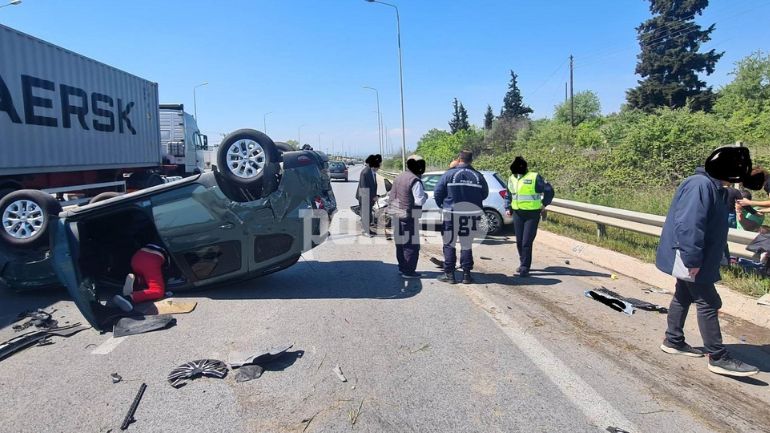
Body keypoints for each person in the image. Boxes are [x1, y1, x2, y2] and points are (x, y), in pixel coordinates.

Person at [656, 145, 763, 377]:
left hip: (694, 255)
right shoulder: (700, 185)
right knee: (708, 301)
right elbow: (689, 225)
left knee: (683, 294)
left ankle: (673, 340)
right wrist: (692, 258)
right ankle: (718, 356)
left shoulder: (713, 186)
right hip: (691, 255)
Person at [433, 150, 489, 284]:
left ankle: (450, 275)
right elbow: (484, 194)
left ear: (459, 159)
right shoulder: (478, 176)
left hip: (451, 214)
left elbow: (437, 192)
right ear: (471, 160)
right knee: (466, 244)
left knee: (449, 244)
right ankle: (466, 275)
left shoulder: (449, 174)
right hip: (470, 215)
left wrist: (443, 205)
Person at [504, 156, 554, 277]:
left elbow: (549, 190)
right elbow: (509, 194)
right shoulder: (512, 178)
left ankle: (525, 267)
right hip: (518, 213)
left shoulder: (534, 177)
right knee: (519, 241)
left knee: (526, 241)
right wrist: (508, 207)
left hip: (532, 214)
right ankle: (523, 263)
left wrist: (543, 204)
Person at [388, 155, 428, 278]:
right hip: (408, 216)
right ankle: (409, 271)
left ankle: (402, 267)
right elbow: (419, 201)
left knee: (400, 244)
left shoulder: (399, 177)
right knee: (411, 245)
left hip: (396, 215)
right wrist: (425, 195)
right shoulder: (415, 180)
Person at [112, 243, 169, 312]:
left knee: (147, 278)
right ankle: (129, 298)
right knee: (158, 291)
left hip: (137, 257)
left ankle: (136, 280)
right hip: (152, 259)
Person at [356, 154, 381, 237]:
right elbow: (364, 188)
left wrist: (375, 195)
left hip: (369, 197)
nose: (379, 167)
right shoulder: (365, 172)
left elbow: (372, 186)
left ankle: (368, 230)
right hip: (365, 197)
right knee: (365, 215)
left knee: (368, 215)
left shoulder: (372, 172)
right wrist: (372, 197)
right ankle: (365, 231)